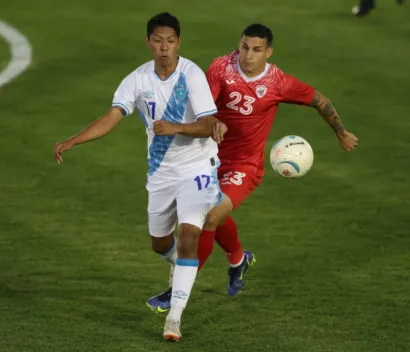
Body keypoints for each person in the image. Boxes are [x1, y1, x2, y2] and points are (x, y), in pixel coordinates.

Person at [146, 23, 359, 312]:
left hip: (244, 165)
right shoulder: (222, 67)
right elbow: (202, 102)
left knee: (209, 216)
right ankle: (238, 259)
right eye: (244, 46)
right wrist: (212, 120)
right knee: (207, 213)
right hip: (205, 157)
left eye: (256, 50)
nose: (248, 55)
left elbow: (320, 101)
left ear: (268, 52)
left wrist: (341, 132)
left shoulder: (278, 83)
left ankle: (177, 292)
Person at [54, 12, 226, 342]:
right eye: (158, 40)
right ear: (148, 42)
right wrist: (73, 139)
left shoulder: (191, 75)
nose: (164, 48)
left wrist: (176, 127)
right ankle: (176, 264)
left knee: (190, 235)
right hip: (161, 173)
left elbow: (208, 124)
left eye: (171, 41)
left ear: (179, 42)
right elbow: (111, 117)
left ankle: (174, 318)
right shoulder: (137, 80)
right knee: (160, 242)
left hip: (197, 168)